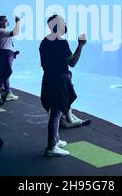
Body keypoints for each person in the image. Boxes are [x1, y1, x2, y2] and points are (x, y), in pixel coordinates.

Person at [39, 15, 87, 157]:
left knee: (55, 113)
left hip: (48, 79)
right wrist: (81, 45)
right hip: (59, 81)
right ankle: (51, 147)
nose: (65, 24)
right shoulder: (61, 42)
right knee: (56, 114)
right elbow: (72, 62)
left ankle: (56, 139)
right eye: (63, 22)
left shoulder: (44, 41)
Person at [0, 15, 21, 101]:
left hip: (7, 54)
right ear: (1, 22)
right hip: (6, 54)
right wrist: (18, 22)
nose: (7, 21)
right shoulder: (1, 31)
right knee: (6, 73)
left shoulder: (2, 31)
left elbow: (8, 43)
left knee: (3, 73)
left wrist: (13, 53)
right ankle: (8, 93)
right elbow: (15, 33)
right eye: (5, 20)